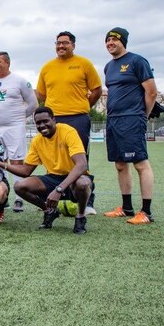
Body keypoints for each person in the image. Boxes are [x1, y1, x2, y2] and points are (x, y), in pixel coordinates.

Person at [0, 106, 92, 235]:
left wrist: (59, 189)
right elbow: (26, 171)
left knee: (82, 184)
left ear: (54, 119)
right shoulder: (37, 140)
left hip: (74, 178)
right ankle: (49, 211)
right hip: (53, 177)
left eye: (45, 121)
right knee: (20, 186)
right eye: (38, 123)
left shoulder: (68, 132)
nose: (42, 125)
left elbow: (81, 165)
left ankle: (80, 217)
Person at [37, 31, 102, 215]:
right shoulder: (47, 67)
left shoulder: (84, 64)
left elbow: (96, 90)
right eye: (58, 43)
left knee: (81, 160)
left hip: (78, 118)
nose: (61, 46)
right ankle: (52, 196)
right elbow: (42, 94)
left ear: (73, 45)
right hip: (54, 120)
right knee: (54, 158)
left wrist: (82, 106)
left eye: (65, 43)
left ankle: (87, 201)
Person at [102, 27, 157, 224]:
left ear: (123, 41)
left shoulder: (137, 61)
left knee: (140, 164)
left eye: (114, 40)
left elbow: (151, 92)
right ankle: (126, 208)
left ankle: (146, 212)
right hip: (113, 120)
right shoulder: (108, 67)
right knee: (119, 164)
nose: (110, 43)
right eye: (107, 40)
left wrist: (142, 116)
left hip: (132, 119)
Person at [0, 52, 38, 212]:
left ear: (7, 63)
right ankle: (2, 197)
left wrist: (19, 118)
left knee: (16, 162)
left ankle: (19, 199)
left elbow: (33, 104)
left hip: (15, 128)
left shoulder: (19, 80)